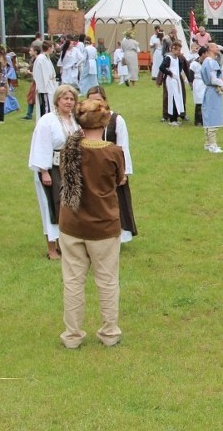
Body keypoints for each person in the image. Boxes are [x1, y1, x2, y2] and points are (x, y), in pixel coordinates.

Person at [57, 98, 126, 349]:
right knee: (107, 280)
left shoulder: (69, 148)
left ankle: (72, 336)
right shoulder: (113, 151)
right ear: (105, 121)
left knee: (73, 281)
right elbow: (120, 181)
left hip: (71, 223)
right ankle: (109, 333)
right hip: (103, 225)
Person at [29, 84, 80, 260]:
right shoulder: (47, 121)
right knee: (51, 205)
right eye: (65, 98)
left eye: (72, 99)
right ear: (57, 100)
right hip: (52, 168)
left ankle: (65, 245)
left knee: (69, 207)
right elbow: (41, 146)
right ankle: (52, 248)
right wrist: (44, 171)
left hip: (71, 168)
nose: (69, 102)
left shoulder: (74, 120)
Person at [86, 86, 137, 244]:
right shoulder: (84, 120)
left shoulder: (116, 120)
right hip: (92, 169)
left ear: (105, 101)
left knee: (115, 202)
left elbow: (123, 147)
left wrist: (124, 172)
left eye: (99, 101)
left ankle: (118, 235)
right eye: (92, 101)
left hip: (112, 169)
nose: (96, 105)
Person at [200, 43, 223, 153]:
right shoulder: (211, 62)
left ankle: (208, 143)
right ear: (211, 49)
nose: (218, 48)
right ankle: (212, 144)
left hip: (209, 91)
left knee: (209, 115)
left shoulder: (206, 62)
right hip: (213, 92)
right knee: (213, 117)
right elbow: (213, 79)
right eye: (216, 47)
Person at [158, 41, 189, 126]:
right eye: (178, 50)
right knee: (172, 98)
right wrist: (170, 74)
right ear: (173, 49)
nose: (179, 52)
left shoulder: (177, 58)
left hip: (176, 80)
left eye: (180, 50)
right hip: (171, 80)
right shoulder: (169, 57)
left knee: (177, 98)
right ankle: (172, 120)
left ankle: (175, 118)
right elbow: (162, 67)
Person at [188, 46, 207, 126]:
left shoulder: (207, 62)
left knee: (205, 102)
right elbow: (190, 75)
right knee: (199, 101)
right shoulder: (194, 63)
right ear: (202, 54)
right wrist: (191, 84)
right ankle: (198, 121)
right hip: (198, 83)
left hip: (205, 83)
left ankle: (205, 119)